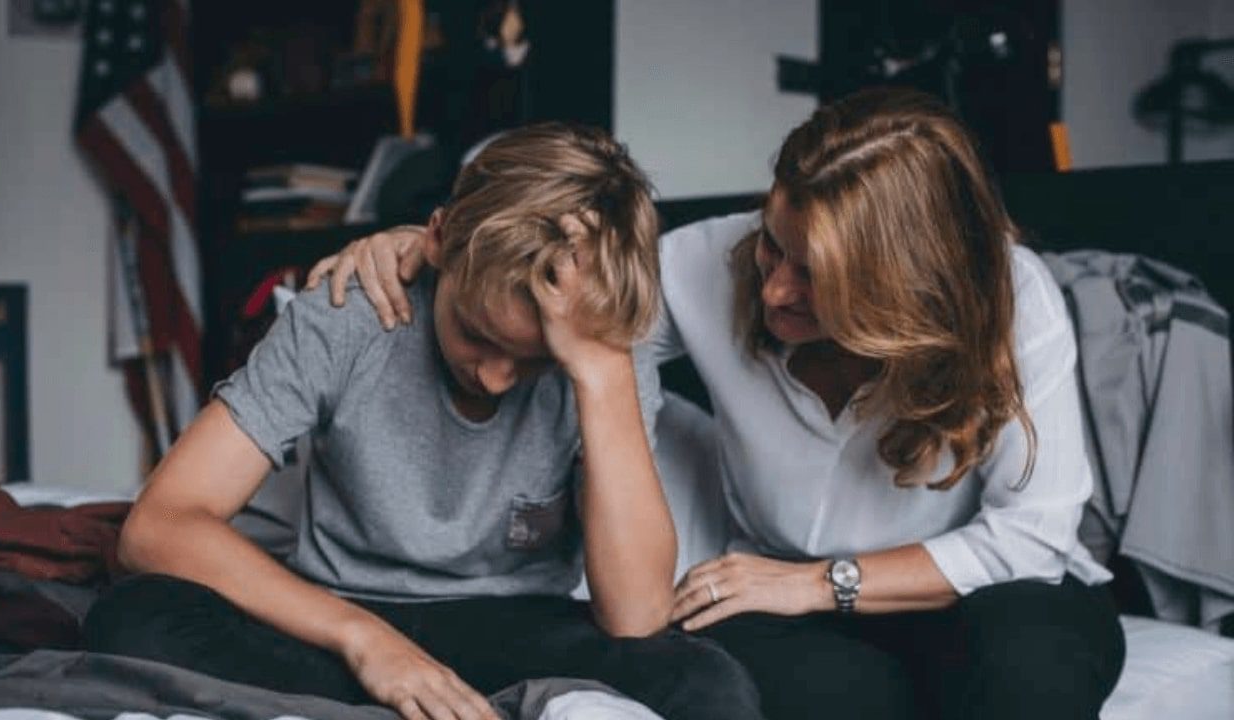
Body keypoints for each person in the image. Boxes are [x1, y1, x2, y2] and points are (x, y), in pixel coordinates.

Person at [309, 88, 1127, 719]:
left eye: (815, 278)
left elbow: (1030, 536)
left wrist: (817, 583)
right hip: (783, 608)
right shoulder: (702, 262)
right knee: (797, 693)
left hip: (981, 595)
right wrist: (427, 248)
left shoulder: (1014, 300)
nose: (773, 288)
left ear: (905, 289)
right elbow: (549, 301)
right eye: (773, 241)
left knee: (1030, 667)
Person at [83, 123, 763, 720]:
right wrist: (366, 641)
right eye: (479, 336)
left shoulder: (603, 350)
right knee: (134, 618)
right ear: (437, 239)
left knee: (702, 679)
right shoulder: (350, 314)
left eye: (531, 363)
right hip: (339, 614)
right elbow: (157, 527)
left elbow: (637, 615)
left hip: (515, 627)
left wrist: (599, 371)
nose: (497, 379)